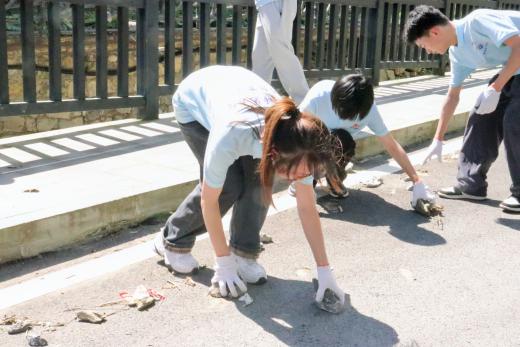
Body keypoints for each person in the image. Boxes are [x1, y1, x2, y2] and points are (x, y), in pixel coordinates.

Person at [153, 65, 345, 304]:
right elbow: (209, 200)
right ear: (276, 155)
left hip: (241, 97)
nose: (300, 178)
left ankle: (243, 253)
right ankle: (172, 241)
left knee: (260, 183)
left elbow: (307, 206)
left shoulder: (303, 145)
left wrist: (324, 269)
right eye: (296, 173)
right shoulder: (233, 133)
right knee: (228, 186)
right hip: (195, 104)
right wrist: (222, 263)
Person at [404, 6, 520, 212]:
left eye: (423, 46)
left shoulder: (477, 21)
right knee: (481, 115)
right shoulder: (457, 53)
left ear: (435, 32)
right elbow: (452, 96)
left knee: (515, 120)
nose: (427, 51)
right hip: (515, 70)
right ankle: (470, 184)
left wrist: (495, 87)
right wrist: (438, 139)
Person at [298, 74, 436, 207]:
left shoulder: (369, 110)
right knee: (309, 144)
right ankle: (304, 180)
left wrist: (417, 181)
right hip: (311, 138)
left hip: (336, 142)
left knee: (344, 140)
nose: (345, 119)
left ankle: (333, 179)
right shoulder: (318, 97)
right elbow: (294, 131)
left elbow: (391, 145)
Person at [252, 0, 309, 103]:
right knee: (260, 57)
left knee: (282, 54)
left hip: (275, 3)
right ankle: (259, 102)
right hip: (263, 5)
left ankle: (305, 101)